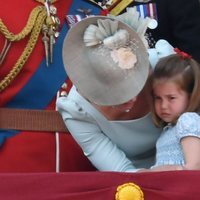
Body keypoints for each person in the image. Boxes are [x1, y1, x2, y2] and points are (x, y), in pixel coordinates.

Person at [57, 15, 162, 172]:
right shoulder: (77, 111)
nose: (132, 97)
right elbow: (121, 170)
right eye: (117, 90)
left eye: (134, 84)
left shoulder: (164, 67)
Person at [149, 50, 200, 171]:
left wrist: (158, 171)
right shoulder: (167, 130)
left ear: (190, 95)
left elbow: (195, 167)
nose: (163, 106)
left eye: (171, 98)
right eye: (158, 98)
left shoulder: (188, 120)